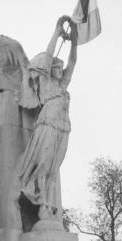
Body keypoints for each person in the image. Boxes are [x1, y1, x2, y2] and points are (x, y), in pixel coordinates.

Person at [18, 15, 78, 209]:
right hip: (48, 123)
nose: (61, 69)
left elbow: (73, 61)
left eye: (61, 68)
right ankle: (35, 193)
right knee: (43, 161)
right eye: (57, 67)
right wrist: (57, 31)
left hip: (64, 127)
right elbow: (47, 57)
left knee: (54, 165)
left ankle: (46, 198)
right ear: (50, 70)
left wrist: (75, 39)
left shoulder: (63, 86)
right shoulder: (45, 82)